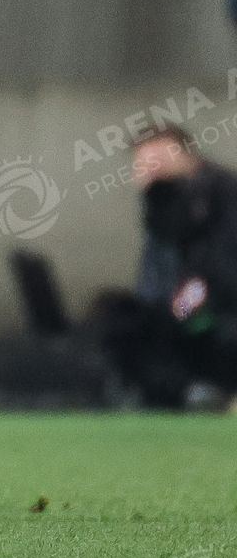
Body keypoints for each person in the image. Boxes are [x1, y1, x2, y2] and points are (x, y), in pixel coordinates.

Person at [95, 128, 237, 410]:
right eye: (143, 162)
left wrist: (190, 296)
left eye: (157, 158)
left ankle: (201, 390)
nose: (150, 167)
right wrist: (154, 195)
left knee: (179, 322)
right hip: (183, 298)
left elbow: (218, 261)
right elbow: (161, 255)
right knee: (124, 322)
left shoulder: (221, 191)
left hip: (216, 300)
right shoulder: (168, 199)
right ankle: (185, 392)